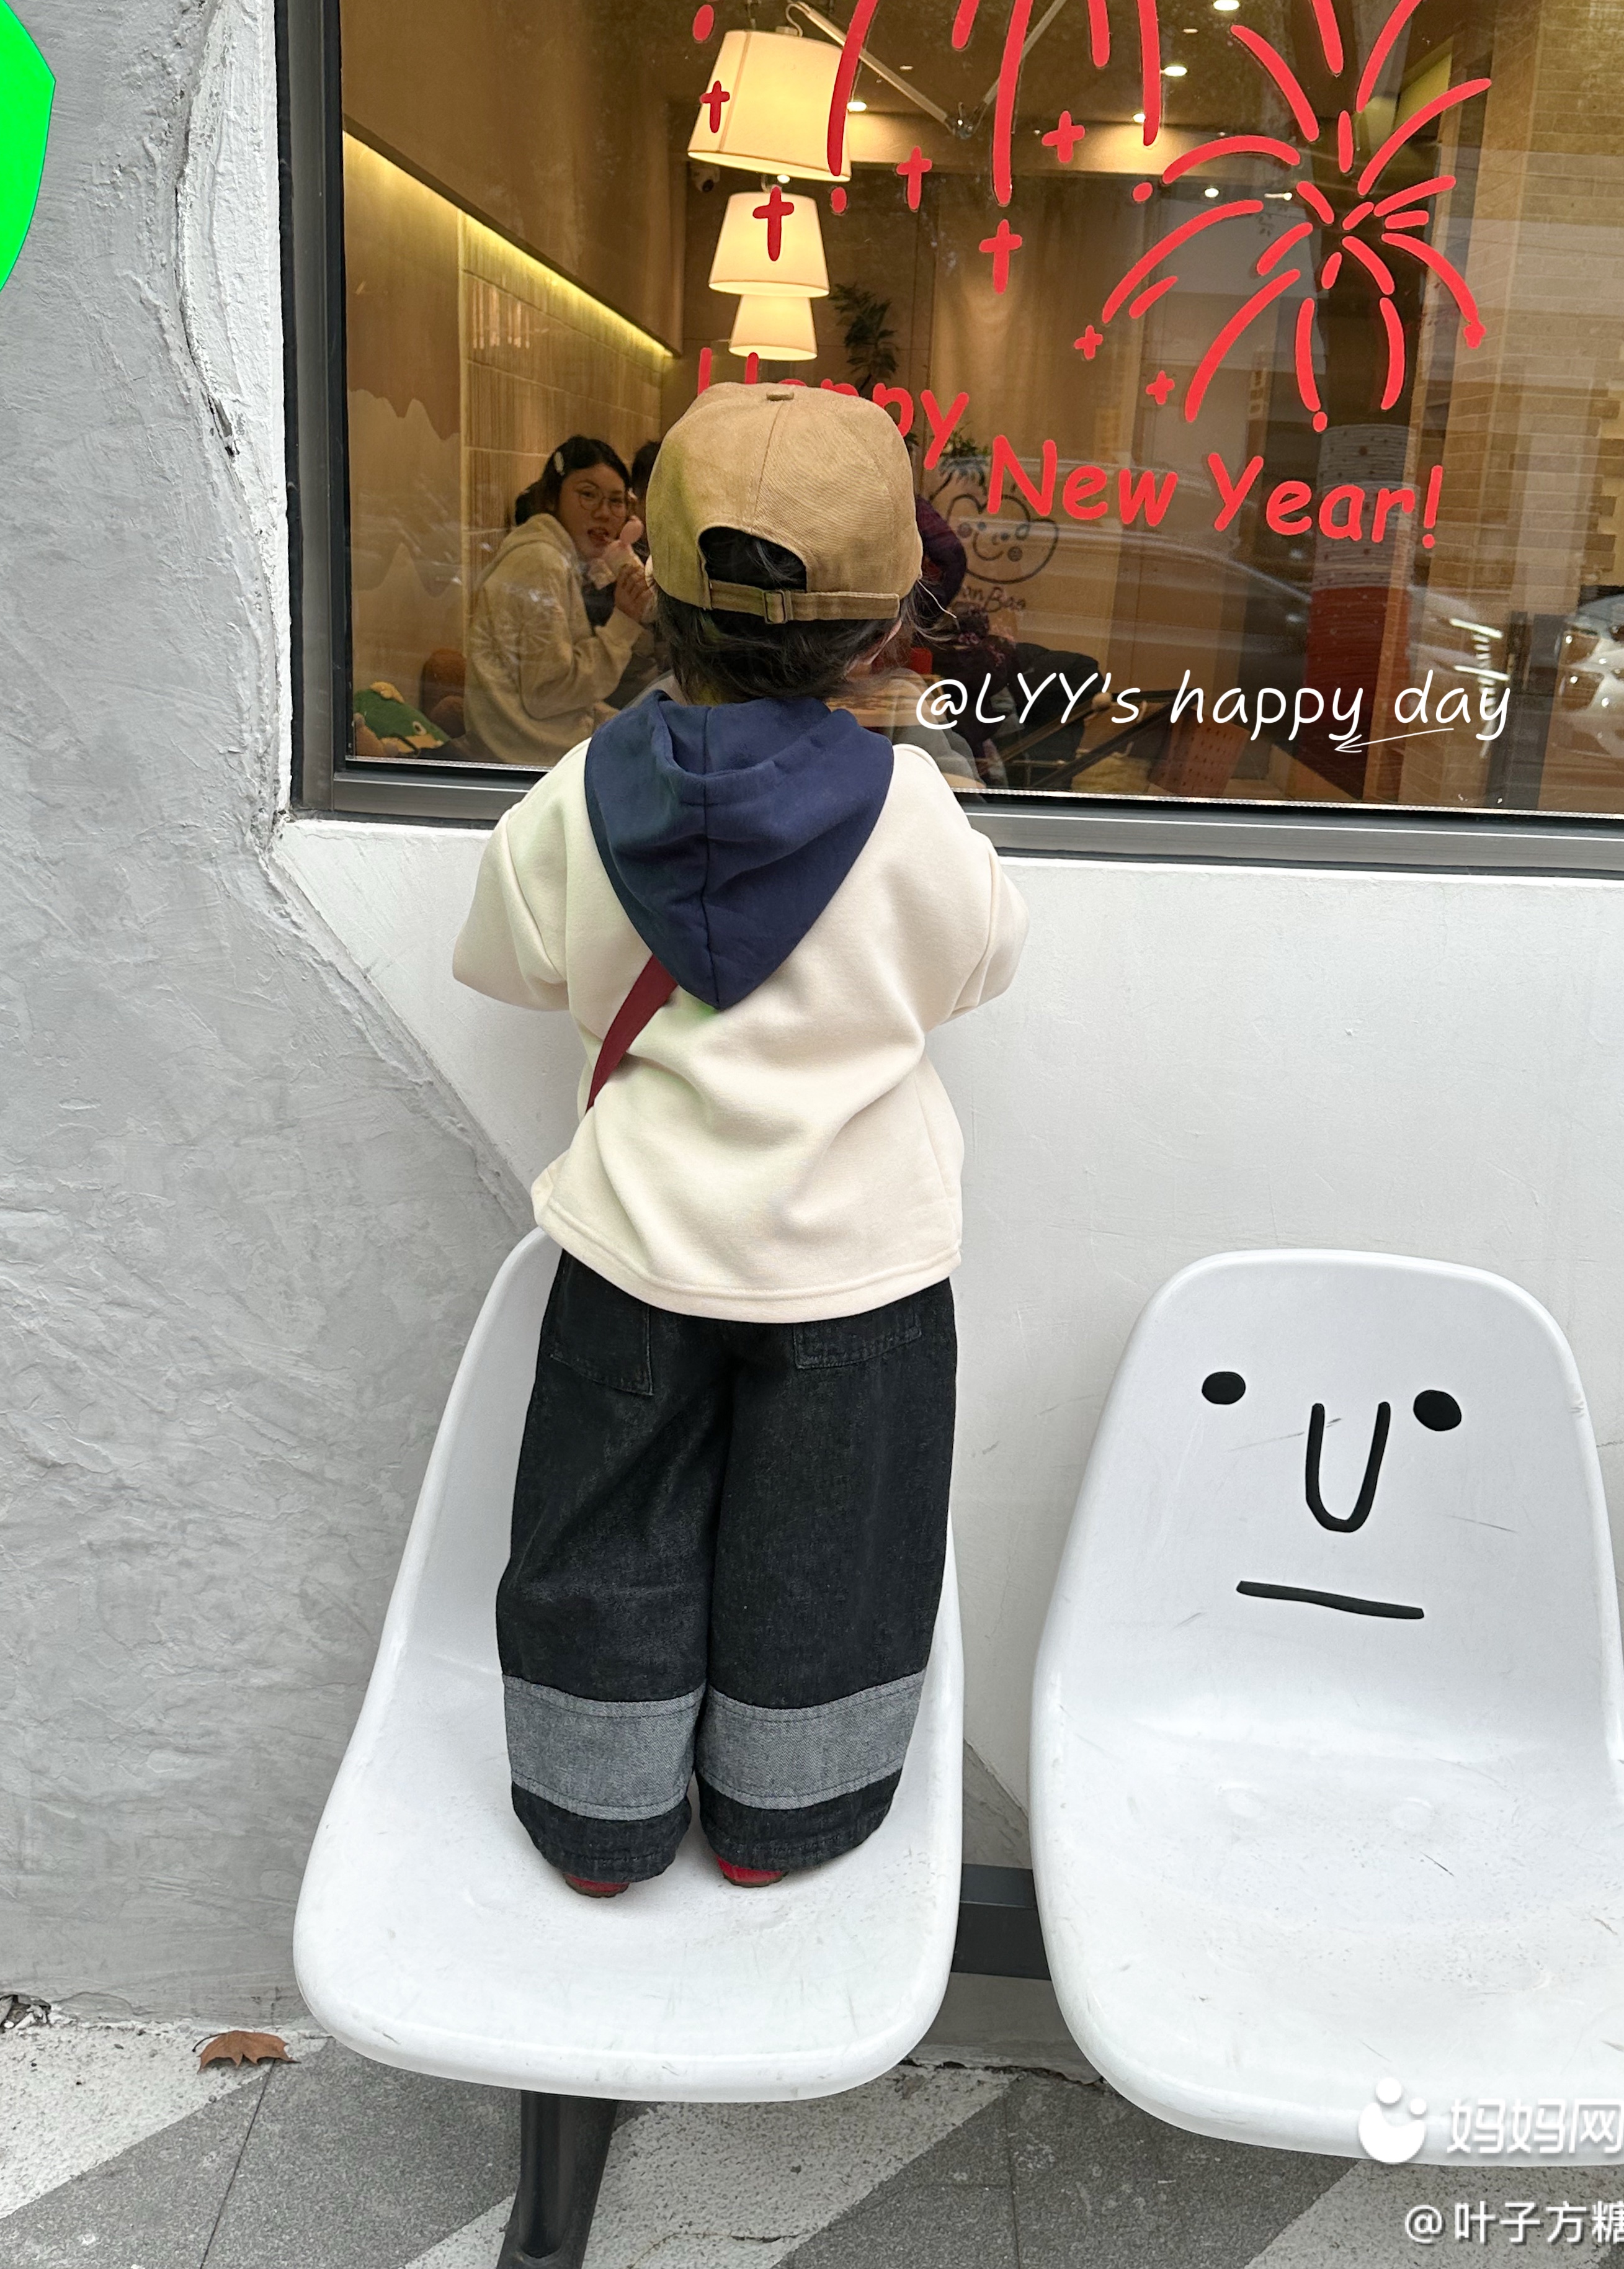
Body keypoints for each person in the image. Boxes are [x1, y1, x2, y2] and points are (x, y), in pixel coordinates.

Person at [452, 384, 1027, 1895]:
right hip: (860, 1261)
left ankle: (595, 1821)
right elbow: (981, 960)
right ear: (881, 624)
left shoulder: (578, 792)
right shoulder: (910, 809)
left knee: (602, 1531)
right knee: (835, 1550)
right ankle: (785, 1822)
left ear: (655, 577)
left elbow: (511, 957)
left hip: (636, 1245)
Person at [465, 436, 654, 767]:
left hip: (537, 738)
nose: (604, 513)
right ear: (552, 498)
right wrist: (624, 621)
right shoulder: (541, 562)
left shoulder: (559, 558)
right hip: (523, 756)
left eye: (615, 501)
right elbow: (549, 694)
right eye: (588, 495)